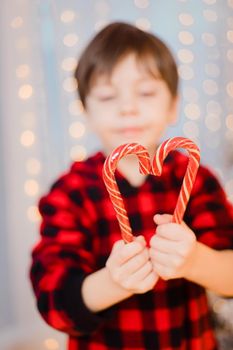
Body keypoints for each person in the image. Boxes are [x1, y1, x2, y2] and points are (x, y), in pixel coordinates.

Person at [30, 22, 233, 349]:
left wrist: (194, 261)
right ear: (87, 111)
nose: (128, 108)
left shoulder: (195, 179)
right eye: (108, 96)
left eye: (147, 92)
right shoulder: (69, 193)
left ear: (173, 105)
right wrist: (114, 282)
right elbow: (54, 302)